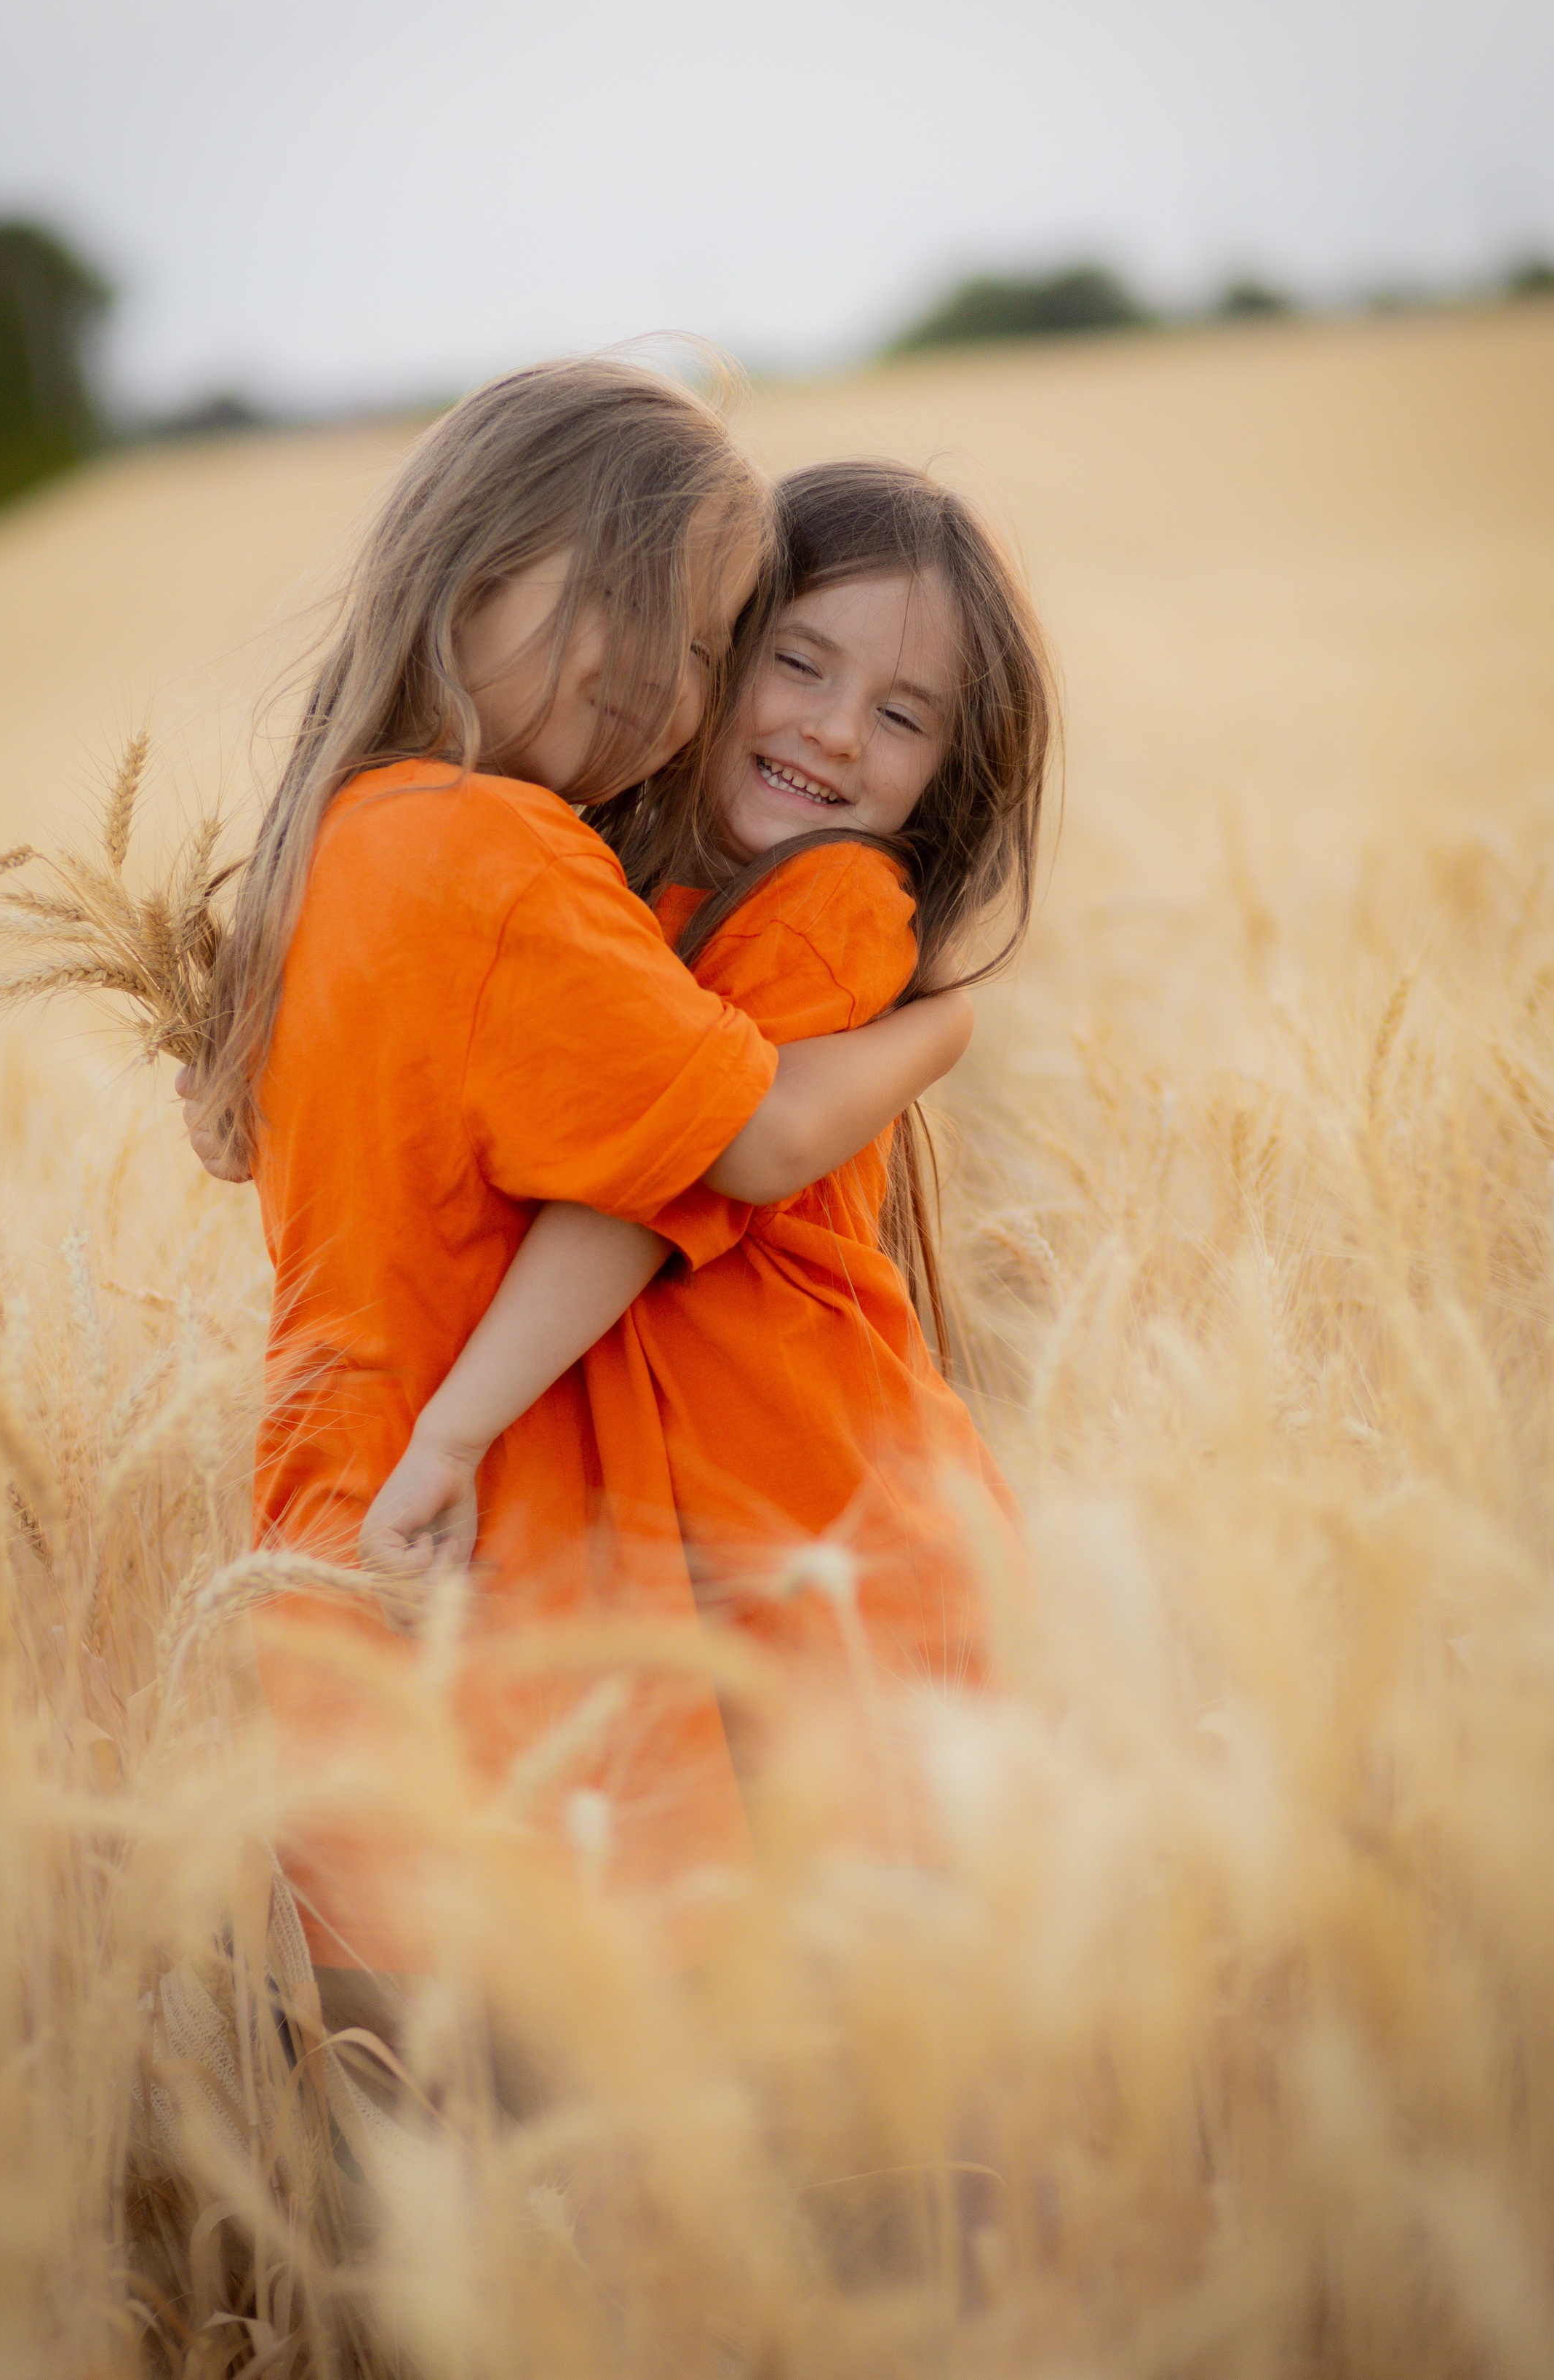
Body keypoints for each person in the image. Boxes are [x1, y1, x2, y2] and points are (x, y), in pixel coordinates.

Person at [180, 371, 976, 1973]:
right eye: (658, 623)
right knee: (616, 2060)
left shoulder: (347, 836)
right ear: (475, 574)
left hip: (334, 1502)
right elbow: (737, 1137)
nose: (671, 688)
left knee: (421, 2087)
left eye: (698, 644)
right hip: (492, 1528)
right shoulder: (504, 855)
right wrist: (937, 1031)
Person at [367, 457, 1053, 1714]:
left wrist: (455, 1431)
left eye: (905, 717)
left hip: (823, 1529)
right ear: (705, 648)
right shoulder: (593, 880)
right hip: (700, 1543)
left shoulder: (831, 904)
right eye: (798, 663)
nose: (837, 731)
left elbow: (662, 1165)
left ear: (942, 777)